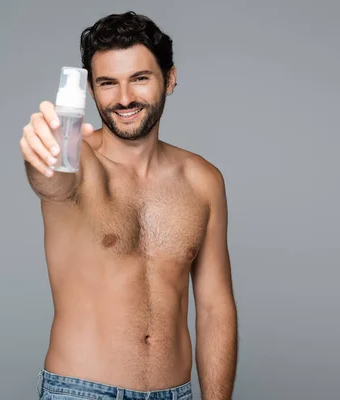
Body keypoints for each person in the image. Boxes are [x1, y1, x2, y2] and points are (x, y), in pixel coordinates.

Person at [20, 11, 238, 400]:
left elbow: (215, 307)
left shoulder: (203, 180)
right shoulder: (77, 162)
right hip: (80, 392)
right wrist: (42, 154)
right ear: (90, 89)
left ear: (169, 79)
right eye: (107, 83)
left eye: (139, 78)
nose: (123, 99)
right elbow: (51, 181)